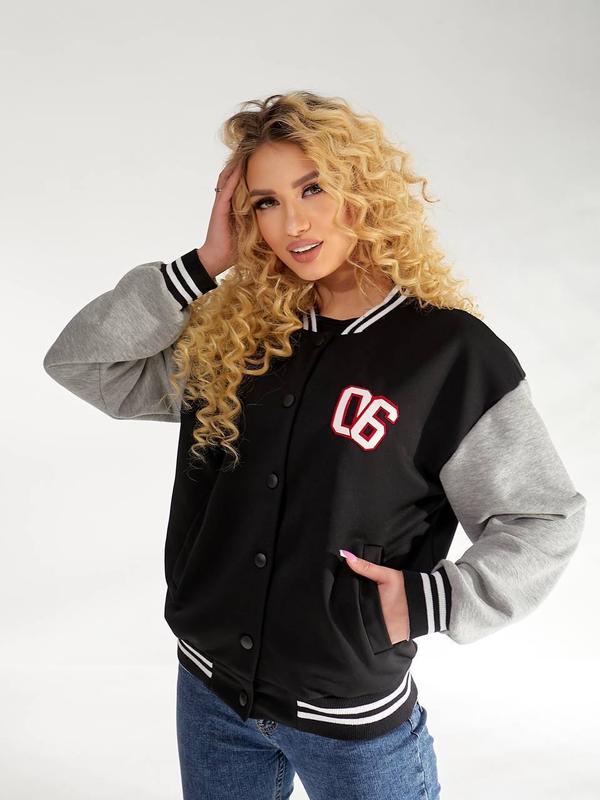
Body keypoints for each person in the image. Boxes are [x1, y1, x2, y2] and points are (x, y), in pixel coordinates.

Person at [43, 90, 586, 800]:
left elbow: (543, 516)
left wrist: (433, 600)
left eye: (313, 188)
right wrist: (204, 263)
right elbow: (83, 364)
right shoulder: (237, 335)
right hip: (209, 692)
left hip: (348, 719)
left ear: (362, 188)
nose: (293, 223)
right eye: (265, 202)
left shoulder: (450, 356)